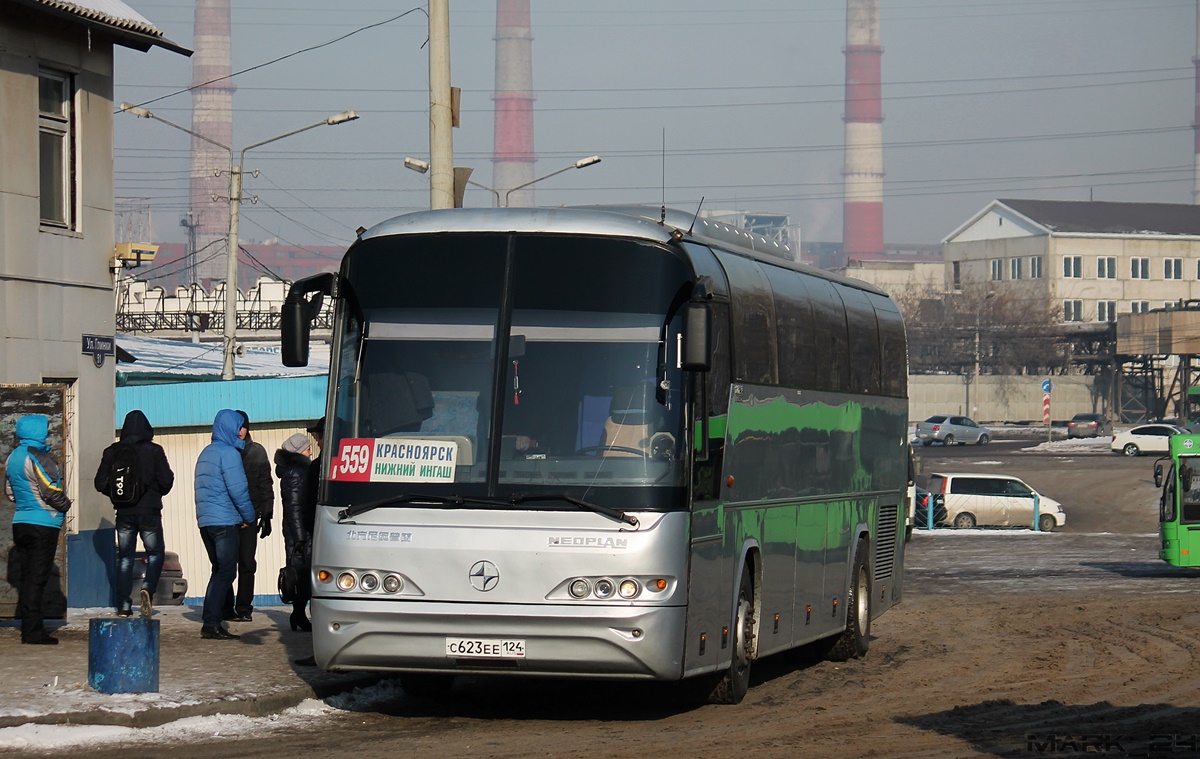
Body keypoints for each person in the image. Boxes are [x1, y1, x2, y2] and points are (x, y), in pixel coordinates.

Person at [93, 410, 175, 618]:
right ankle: (148, 588)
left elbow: (100, 483)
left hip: (124, 513)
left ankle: (124, 605)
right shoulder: (154, 451)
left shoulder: (112, 452)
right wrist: (154, 493)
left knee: (125, 559)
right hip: (150, 512)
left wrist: (118, 495)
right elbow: (166, 480)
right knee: (155, 553)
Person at [4, 414, 71, 645]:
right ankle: (33, 631)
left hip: (20, 521)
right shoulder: (39, 457)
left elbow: (10, 492)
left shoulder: (13, 457)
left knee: (27, 577)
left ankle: (30, 625)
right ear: (38, 432)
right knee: (38, 578)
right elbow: (51, 491)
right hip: (42, 523)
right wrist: (66, 505)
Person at [194, 409, 256, 640]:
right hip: (224, 522)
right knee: (227, 572)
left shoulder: (206, 453)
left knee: (218, 571)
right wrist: (249, 517)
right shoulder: (228, 454)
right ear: (230, 428)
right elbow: (238, 490)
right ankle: (211, 622)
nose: (242, 432)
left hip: (206, 522)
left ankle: (211, 619)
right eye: (239, 427)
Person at [222, 410, 274, 623]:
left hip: (250, 517)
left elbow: (266, 485)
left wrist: (267, 515)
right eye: (237, 427)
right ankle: (226, 607)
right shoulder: (224, 452)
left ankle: (244, 607)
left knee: (246, 563)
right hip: (226, 518)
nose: (240, 431)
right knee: (225, 564)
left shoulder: (257, 452)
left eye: (243, 427)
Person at [294, 417, 325, 665]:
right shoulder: (352, 462)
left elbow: (305, 506)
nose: (316, 440)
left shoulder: (317, 467)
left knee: (320, 590)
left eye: (318, 436)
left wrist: (307, 530)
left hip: (322, 534)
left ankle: (322, 648)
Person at [274, 432, 312, 632]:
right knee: (301, 574)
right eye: (307, 449)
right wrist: (299, 537)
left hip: (299, 531)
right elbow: (294, 507)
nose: (310, 453)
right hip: (299, 533)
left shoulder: (296, 471)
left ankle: (298, 615)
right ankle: (298, 615)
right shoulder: (295, 473)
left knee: (304, 575)